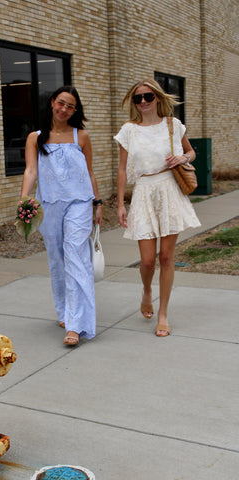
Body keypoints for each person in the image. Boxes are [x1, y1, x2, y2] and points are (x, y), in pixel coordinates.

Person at [115, 79, 201, 337]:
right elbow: (121, 169)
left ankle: (163, 314)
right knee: (148, 260)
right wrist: (120, 203)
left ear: (158, 98)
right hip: (143, 192)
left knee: (166, 257)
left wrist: (183, 157)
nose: (142, 102)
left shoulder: (173, 125)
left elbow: (191, 152)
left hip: (169, 190)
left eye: (148, 97)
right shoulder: (128, 130)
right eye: (137, 98)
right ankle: (147, 291)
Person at [20, 85, 102, 346]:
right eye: (61, 103)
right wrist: (25, 200)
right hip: (49, 206)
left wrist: (97, 203)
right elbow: (31, 170)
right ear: (52, 102)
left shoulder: (82, 137)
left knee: (76, 257)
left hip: (79, 203)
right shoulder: (36, 137)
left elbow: (90, 173)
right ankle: (65, 311)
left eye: (71, 106)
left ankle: (76, 325)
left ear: (75, 111)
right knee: (57, 259)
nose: (65, 109)